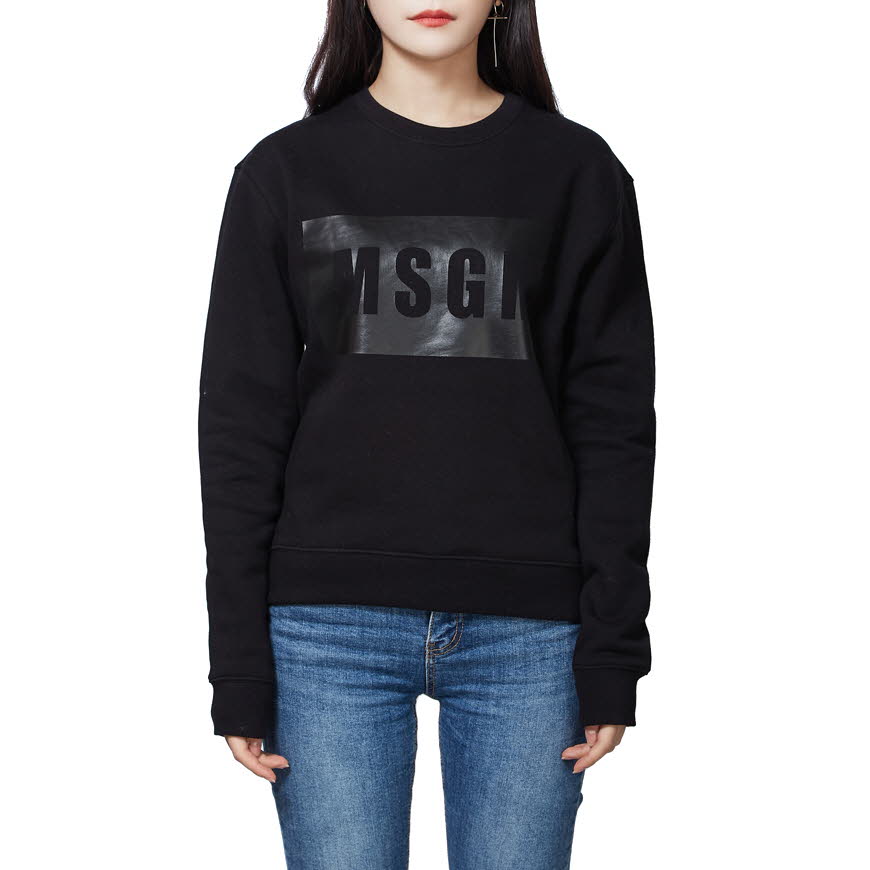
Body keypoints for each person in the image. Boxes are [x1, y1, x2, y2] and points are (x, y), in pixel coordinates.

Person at [197, 1, 656, 867]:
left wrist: (612, 647)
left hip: (530, 634)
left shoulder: (578, 174)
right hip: (325, 631)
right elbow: (240, 431)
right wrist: (240, 666)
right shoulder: (284, 172)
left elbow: (615, 425)